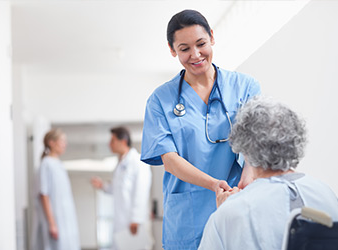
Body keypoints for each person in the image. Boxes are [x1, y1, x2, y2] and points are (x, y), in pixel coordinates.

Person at [140, 9, 261, 249]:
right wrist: (213, 184)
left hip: (234, 197)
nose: (195, 55)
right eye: (184, 49)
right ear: (172, 50)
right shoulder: (160, 100)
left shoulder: (245, 86)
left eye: (201, 43)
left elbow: (255, 143)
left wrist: (246, 183)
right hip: (187, 214)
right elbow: (170, 160)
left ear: (212, 37)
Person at [199, 96, 338, 249]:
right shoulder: (326, 194)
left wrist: (225, 211)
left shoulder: (233, 212)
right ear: (296, 139)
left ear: (244, 146)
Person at [91, 126, 153, 250]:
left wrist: (136, 218)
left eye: (112, 141)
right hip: (120, 220)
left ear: (123, 141)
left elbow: (141, 191)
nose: (110, 144)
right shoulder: (120, 164)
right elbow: (117, 189)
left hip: (133, 222)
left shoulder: (137, 161)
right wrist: (103, 186)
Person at [36, 128, 80, 250]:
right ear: (51, 142)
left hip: (66, 218)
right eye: (62, 141)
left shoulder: (59, 164)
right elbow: (43, 194)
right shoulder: (46, 164)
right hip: (56, 220)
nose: (65, 144)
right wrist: (52, 223)